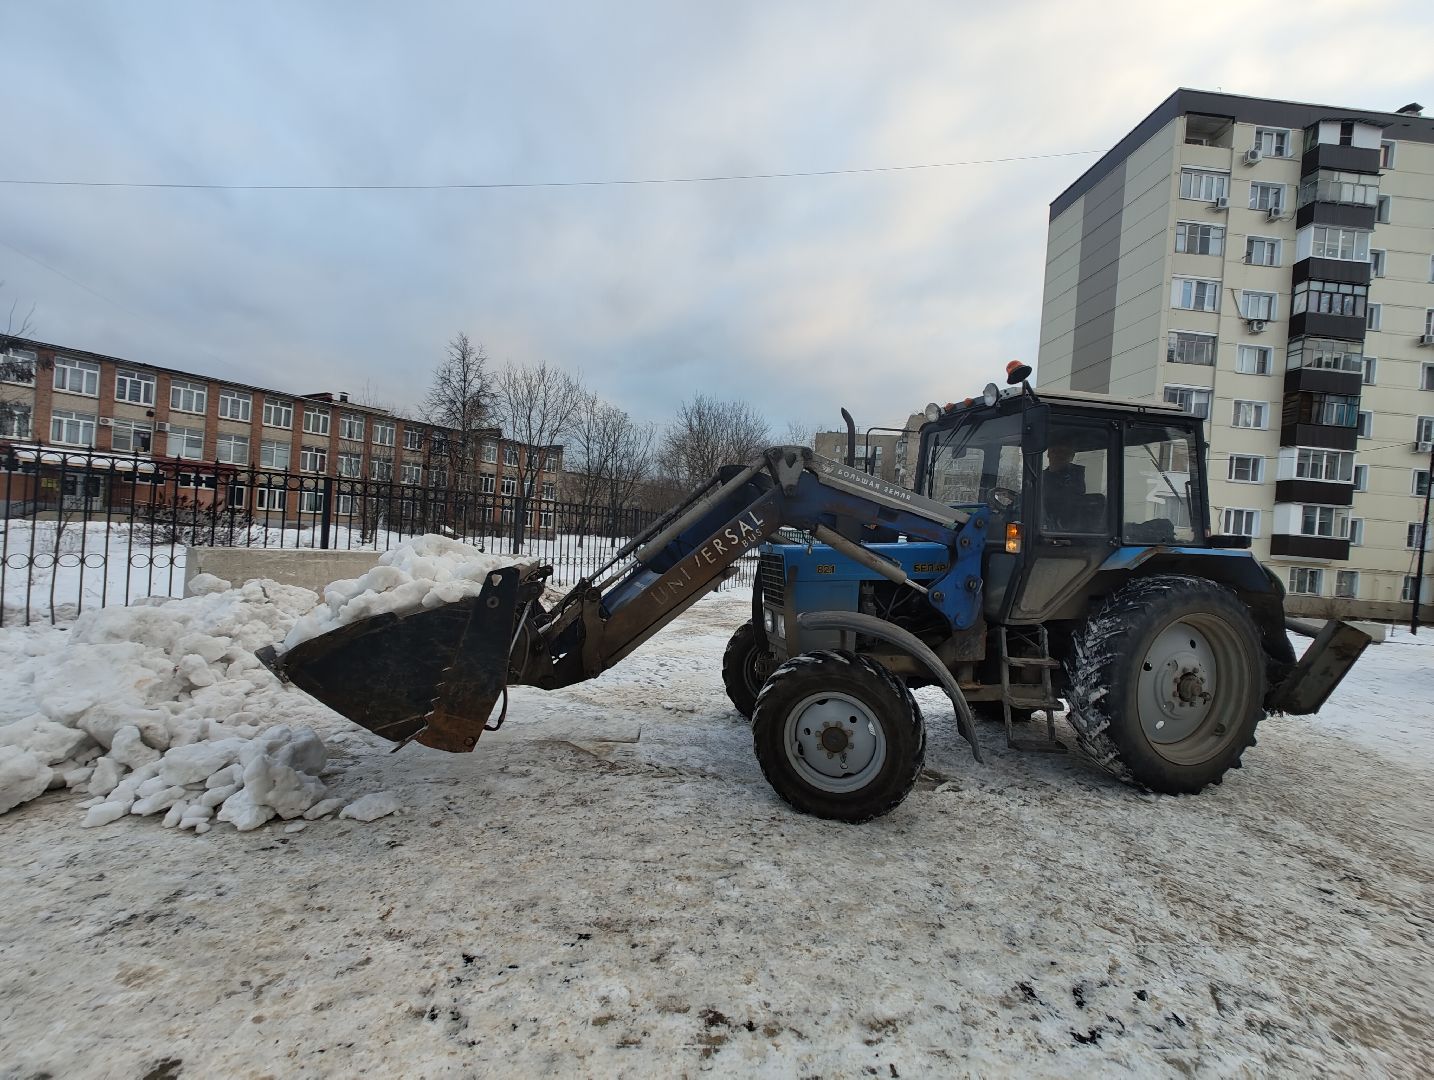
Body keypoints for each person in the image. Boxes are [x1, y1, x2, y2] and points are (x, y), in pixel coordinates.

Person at [1042, 442, 1086, 530]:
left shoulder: (1075, 478)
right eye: (1054, 451)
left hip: (1068, 528)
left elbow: (1067, 501)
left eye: (1063, 452)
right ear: (1048, 454)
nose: (1058, 455)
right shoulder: (1039, 478)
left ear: (1071, 456)